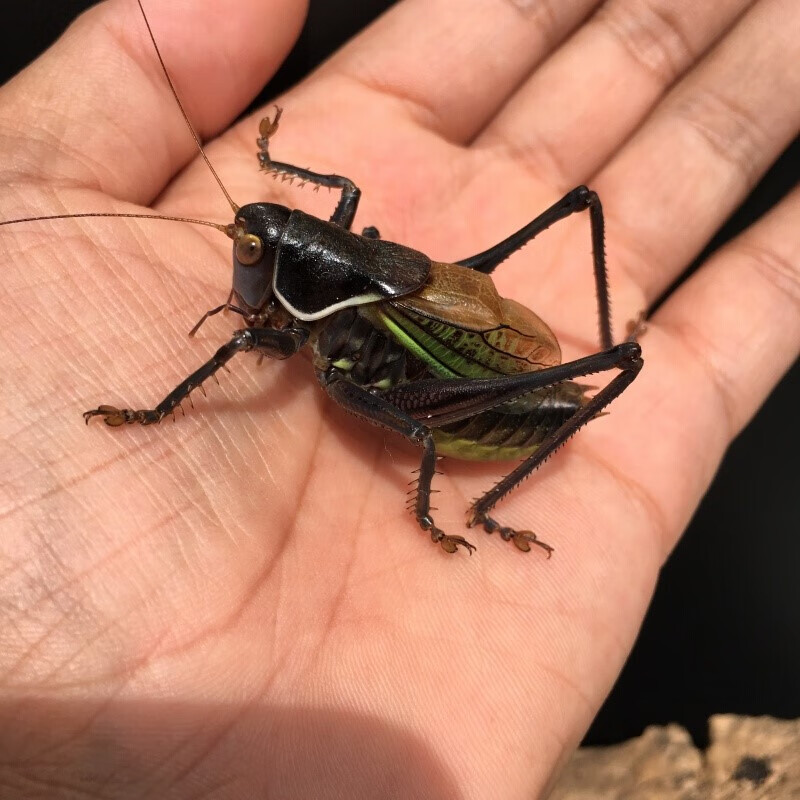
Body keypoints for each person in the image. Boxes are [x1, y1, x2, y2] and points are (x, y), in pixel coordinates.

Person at [0, 0, 797, 796]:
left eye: (254, 254)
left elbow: (419, 434)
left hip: (464, 402)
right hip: (400, 315)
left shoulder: (322, 320)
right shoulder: (331, 258)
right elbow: (342, 193)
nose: (244, 265)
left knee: (434, 405)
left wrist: (433, 515)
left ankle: (491, 501)